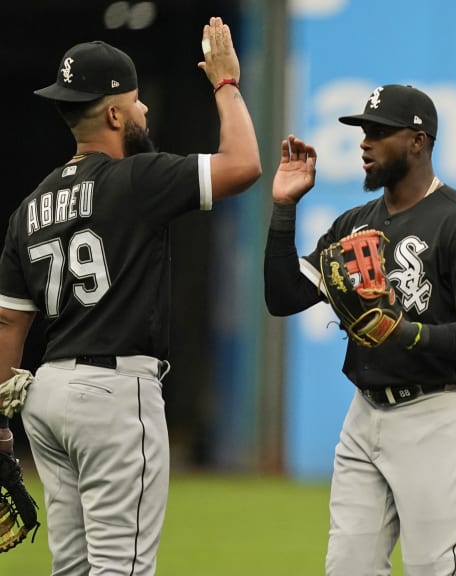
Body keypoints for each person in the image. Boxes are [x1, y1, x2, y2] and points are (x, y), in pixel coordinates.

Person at [0, 18, 260, 575]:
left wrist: (1, 431)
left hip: (45, 399)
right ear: (114, 114)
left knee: (71, 568)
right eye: (137, 103)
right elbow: (244, 166)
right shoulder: (138, 179)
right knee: (123, 567)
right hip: (112, 393)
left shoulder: (30, 207)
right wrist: (227, 85)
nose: (145, 112)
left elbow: (8, 326)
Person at [263, 84, 456, 576]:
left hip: (437, 416)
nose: (364, 143)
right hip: (365, 414)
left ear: (417, 141)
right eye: (362, 132)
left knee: (433, 569)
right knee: (347, 568)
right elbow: (284, 298)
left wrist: (407, 333)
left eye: (378, 132)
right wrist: (285, 208)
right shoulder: (354, 223)